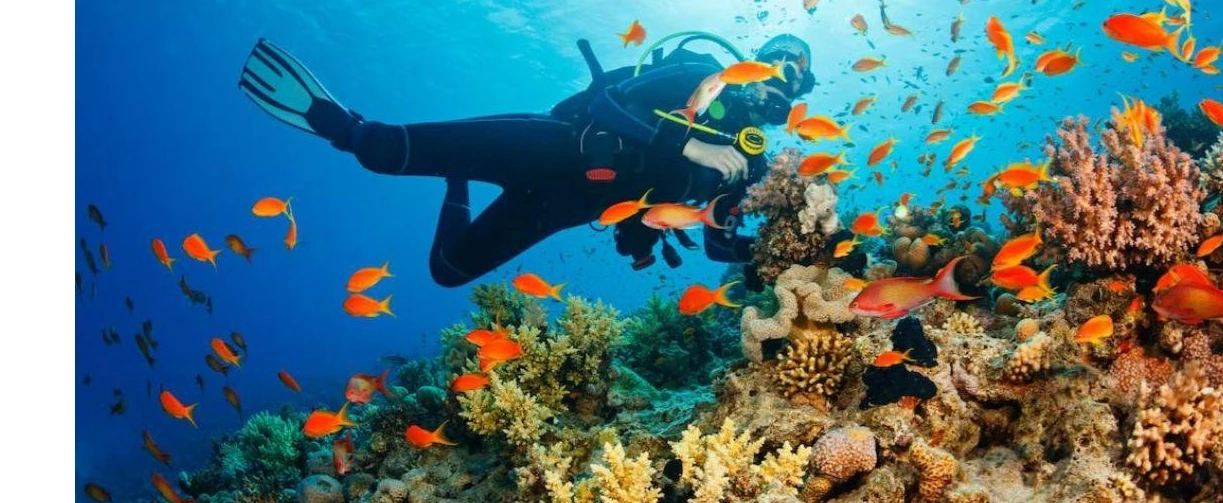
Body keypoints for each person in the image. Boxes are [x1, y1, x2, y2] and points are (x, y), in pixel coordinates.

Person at [238, 33, 816, 287]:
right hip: (555, 144)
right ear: (757, 65)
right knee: (380, 148)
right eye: (780, 67)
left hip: (568, 204)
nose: (785, 85)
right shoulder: (702, 77)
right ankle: (329, 116)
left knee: (448, 271)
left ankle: (456, 182)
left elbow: (717, 240)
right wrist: (688, 143)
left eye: (799, 79)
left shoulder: (755, 164)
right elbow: (606, 104)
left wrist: (777, 260)